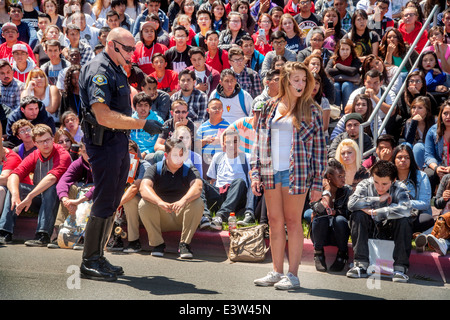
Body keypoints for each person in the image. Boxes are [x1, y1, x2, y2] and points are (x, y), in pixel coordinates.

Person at [78, 27, 163, 282]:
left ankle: (98, 255)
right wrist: (141, 123)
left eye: (133, 49)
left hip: (118, 142)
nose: (131, 54)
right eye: (127, 49)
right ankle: (89, 260)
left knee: (113, 198)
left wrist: (133, 77)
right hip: (104, 143)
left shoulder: (116, 67)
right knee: (105, 198)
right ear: (112, 45)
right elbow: (102, 115)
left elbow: (126, 95)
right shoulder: (99, 70)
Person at [252, 61, 327, 290]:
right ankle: (276, 271)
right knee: (275, 222)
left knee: (293, 222)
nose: (301, 84)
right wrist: (256, 173)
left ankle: (293, 275)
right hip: (270, 170)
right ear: (285, 81)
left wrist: (317, 183)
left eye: (304, 80)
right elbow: (259, 142)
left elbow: (319, 149)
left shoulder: (312, 109)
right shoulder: (267, 107)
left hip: (299, 172)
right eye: (296, 79)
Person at [0, 124, 71, 246]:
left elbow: (51, 178)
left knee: (51, 188)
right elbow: (14, 174)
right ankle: (4, 232)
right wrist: (15, 195)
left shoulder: (62, 153)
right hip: (39, 198)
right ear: (35, 143)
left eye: (48, 140)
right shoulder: (34, 155)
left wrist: (29, 196)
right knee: (15, 187)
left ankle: (43, 235)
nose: (45, 144)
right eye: (41, 142)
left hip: (61, 200)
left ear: (53, 138)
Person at [346, 160, 412, 283]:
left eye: (384, 184)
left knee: (404, 220)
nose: (380, 187)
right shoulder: (365, 184)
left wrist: (376, 212)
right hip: (369, 228)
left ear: (393, 181)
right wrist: (378, 199)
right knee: (358, 214)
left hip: (390, 230)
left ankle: (399, 269)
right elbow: (351, 204)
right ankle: (360, 265)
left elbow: (406, 209)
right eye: (376, 182)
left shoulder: (400, 187)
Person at [138, 137, 204, 258]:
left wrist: (183, 201)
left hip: (181, 216)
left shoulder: (188, 169)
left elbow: (198, 187)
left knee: (197, 202)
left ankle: (184, 244)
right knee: (144, 203)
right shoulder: (155, 168)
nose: (179, 159)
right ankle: (158, 244)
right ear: (166, 155)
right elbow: (144, 188)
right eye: (175, 155)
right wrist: (159, 202)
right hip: (162, 215)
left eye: (182, 155)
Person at [309, 158, 353, 272]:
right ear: (329, 177)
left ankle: (342, 254)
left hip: (338, 234)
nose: (343, 180)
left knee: (340, 220)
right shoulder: (317, 190)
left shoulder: (347, 191)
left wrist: (334, 212)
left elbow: (349, 212)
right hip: (320, 233)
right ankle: (318, 254)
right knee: (321, 218)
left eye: (344, 176)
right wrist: (327, 191)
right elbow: (319, 209)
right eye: (340, 176)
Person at [204, 129, 252, 230]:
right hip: (220, 194)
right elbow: (212, 180)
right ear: (223, 143)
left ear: (239, 143)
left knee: (239, 182)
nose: (231, 145)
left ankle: (221, 216)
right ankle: (205, 216)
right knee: (199, 182)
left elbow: (251, 183)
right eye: (228, 142)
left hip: (237, 195)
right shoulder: (218, 157)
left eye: (234, 142)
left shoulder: (246, 158)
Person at [392, 144, 434, 235]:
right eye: (399, 157)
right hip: (395, 214)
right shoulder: (389, 177)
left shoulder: (422, 176)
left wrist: (404, 203)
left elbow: (425, 203)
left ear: (411, 159)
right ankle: (413, 234)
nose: (403, 160)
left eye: (407, 157)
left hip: (415, 216)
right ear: (394, 160)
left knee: (428, 219)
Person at [195, 98, 230, 177]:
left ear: (223, 110)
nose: (217, 110)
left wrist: (222, 140)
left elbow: (233, 145)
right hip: (206, 160)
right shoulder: (202, 127)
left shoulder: (228, 126)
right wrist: (205, 140)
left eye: (219, 108)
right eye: (214, 108)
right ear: (208, 110)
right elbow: (196, 146)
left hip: (223, 159)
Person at [326, 38, 362, 111]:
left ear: (351, 50)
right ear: (338, 50)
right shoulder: (333, 59)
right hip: (337, 83)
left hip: (352, 84)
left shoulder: (355, 60)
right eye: (342, 49)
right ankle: (337, 111)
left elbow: (352, 71)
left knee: (346, 85)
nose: (345, 52)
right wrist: (345, 70)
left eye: (347, 49)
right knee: (336, 85)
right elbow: (328, 71)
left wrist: (338, 66)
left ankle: (347, 111)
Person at [424, 100, 450, 194]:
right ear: (441, 115)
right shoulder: (433, 131)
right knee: (428, 175)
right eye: (445, 113)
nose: (448, 117)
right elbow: (428, 155)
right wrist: (436, 168)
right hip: (438, 166)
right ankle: (426, 205)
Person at [403, 96, 435, 169]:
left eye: (420, 108)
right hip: (415, 151)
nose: (415, 111)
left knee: (418, 147)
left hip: (429, 151)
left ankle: (418, 172)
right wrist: (414, 123)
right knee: (405, 145)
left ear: (427, 110)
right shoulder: (409, 122)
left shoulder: (434, 121)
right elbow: (409, 141)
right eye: (413, 107)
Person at [130, 92, 163, 159]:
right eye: (140, 105)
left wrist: (146, 153)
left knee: (160, 154)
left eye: (146, 105)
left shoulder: (158, 120)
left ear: (150, 107)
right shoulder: (130, 120)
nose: (143, 108)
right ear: (134, 107)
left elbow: (161, 143)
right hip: (132, 153)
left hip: (151, 154)